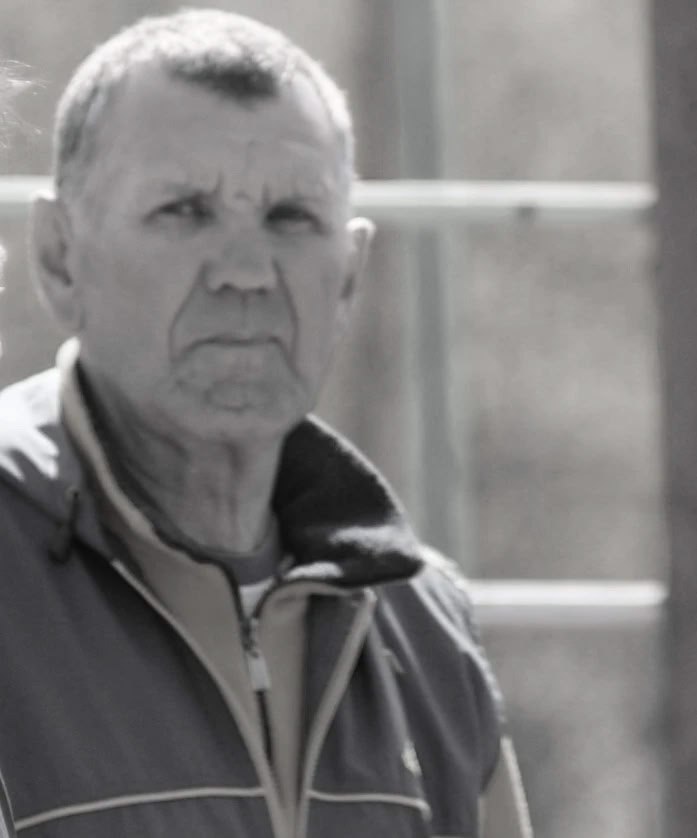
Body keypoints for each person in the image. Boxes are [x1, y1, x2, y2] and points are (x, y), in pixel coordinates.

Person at [0, 10, 532, 837]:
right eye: (184, 210)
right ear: (59, 258)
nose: (247, 273)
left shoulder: (424, 630)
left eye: (291, 218)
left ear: (347, 278)